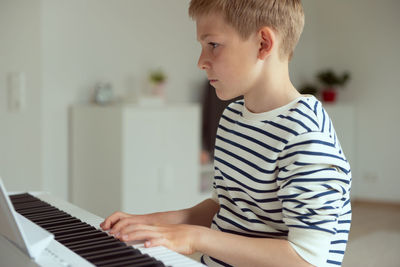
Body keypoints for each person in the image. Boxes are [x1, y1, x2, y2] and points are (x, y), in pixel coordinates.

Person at [100, 1, 352, 266]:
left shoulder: (306, 136)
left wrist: (196, 238)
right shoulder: (233, 117)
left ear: (263, 44)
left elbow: (307, 260)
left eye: (213, 45)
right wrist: (152, 221)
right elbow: (223, 207)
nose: (200, 62)